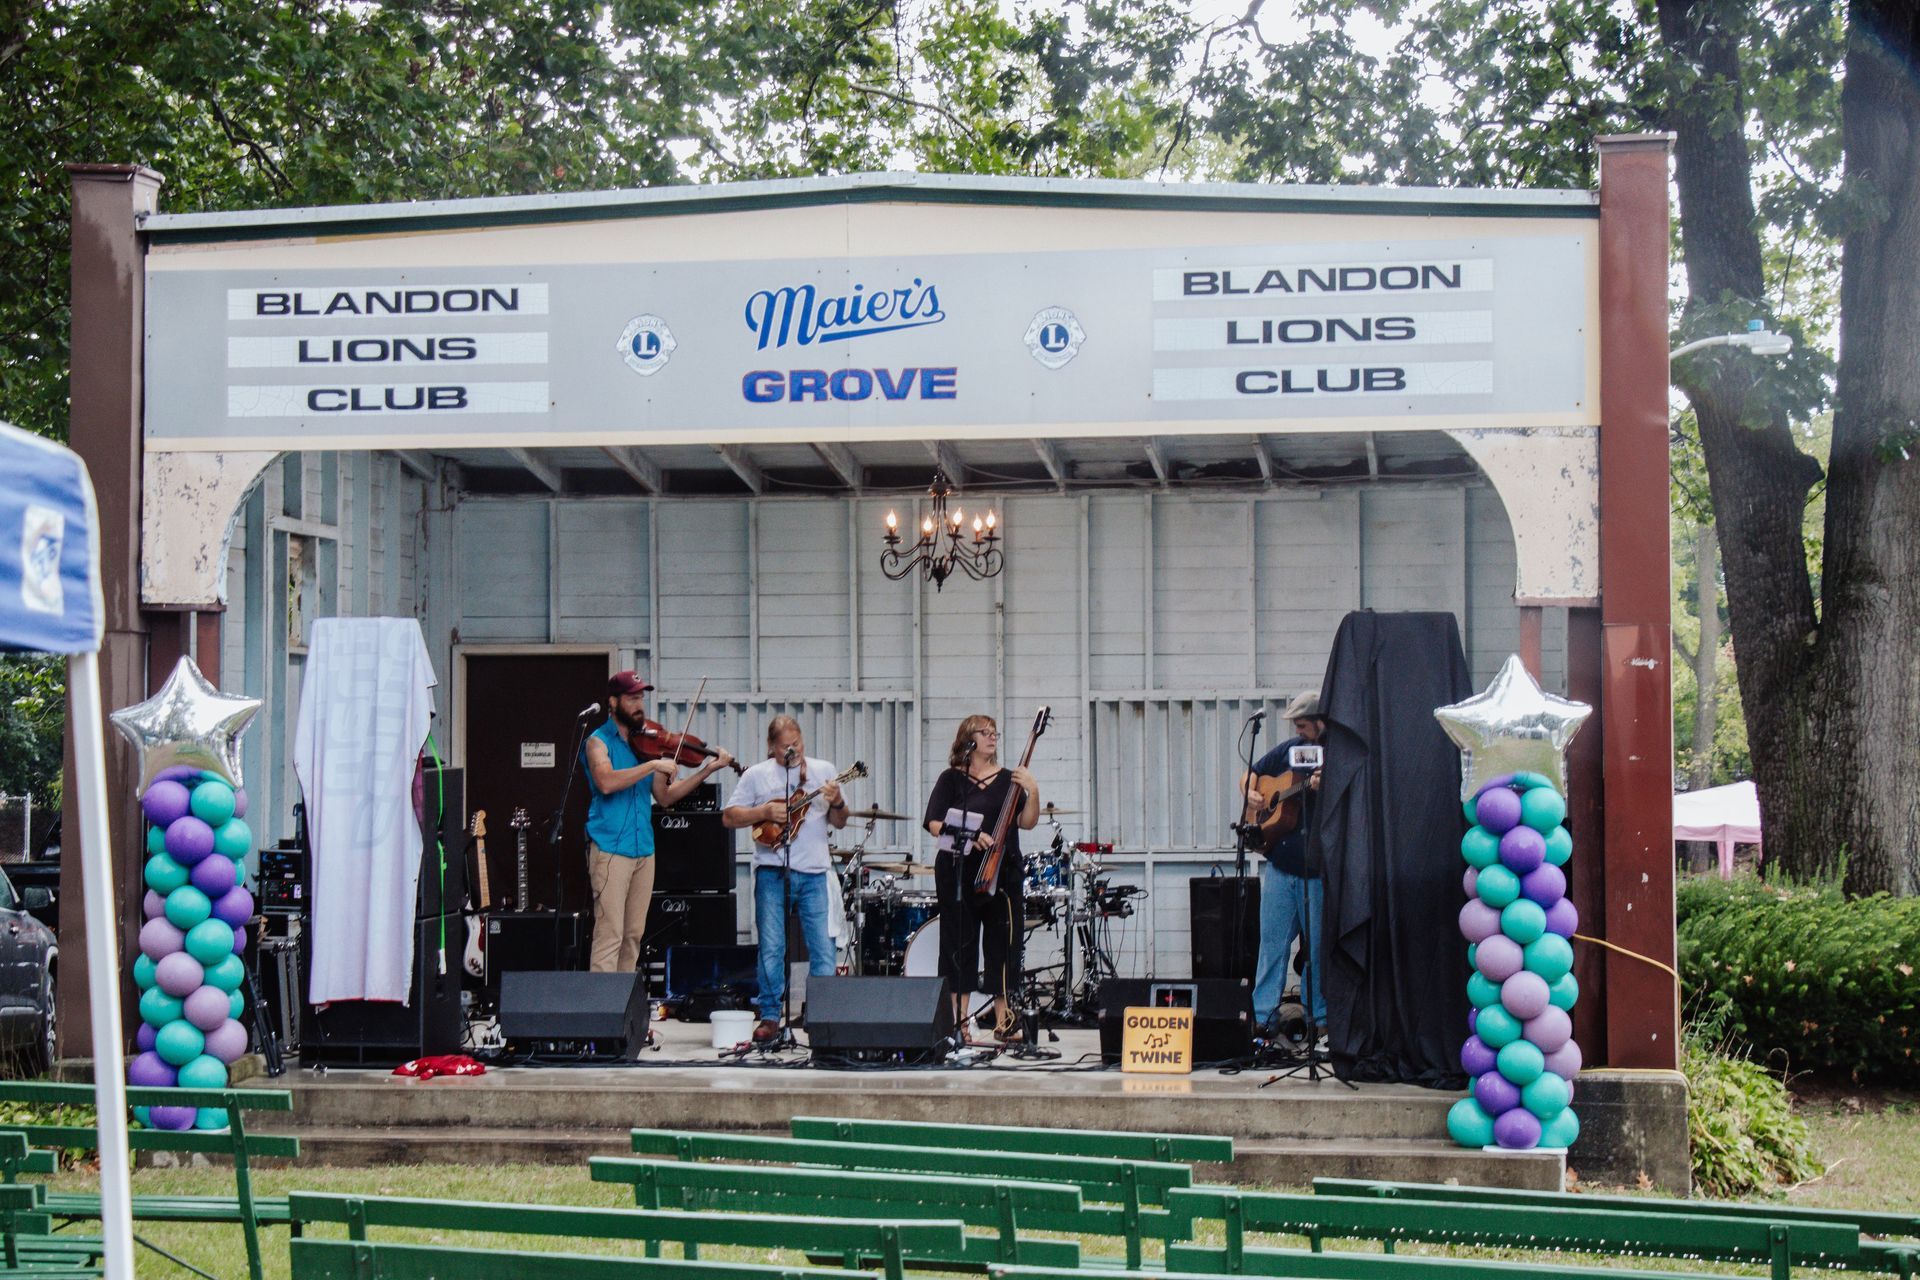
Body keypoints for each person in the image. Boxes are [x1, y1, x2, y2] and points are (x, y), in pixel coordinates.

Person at [582, 669, 734, 973]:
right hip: (610, 848)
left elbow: (664, 797)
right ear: (613, 702)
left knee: (633, 936)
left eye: (641, 698)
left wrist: (706, 771)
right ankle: (604, 1016)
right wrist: (653, 763)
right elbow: (607, 782)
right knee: (609, 935)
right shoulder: (598, 743)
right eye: (632, 698)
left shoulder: (644, 742)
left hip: (643, 849)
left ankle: (625, 1014)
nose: (639, 704)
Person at [722, 715, 849, 1044]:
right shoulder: (756, 776)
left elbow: (840, 821)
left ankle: (823, 1014)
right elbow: (730, 816)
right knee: (772, 946)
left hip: (815, 872)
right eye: (785, 746)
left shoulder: (823, 771)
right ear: (771, 747)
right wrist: (763, 812)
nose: (793, 750)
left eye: (798, 744)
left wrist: (837, 801)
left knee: (822, 946)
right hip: (771, 871)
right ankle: (769, 1016)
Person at [923, 715, 1040, 1039]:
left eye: (994, 732)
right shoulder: (951, 779)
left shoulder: (1009, 780)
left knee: (1003, 944)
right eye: (984, 733)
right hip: (958, 871)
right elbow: (933, 822)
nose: (992, 738)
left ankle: (1005, 1022)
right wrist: (970, 835)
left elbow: (1027, 822)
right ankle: (959, 1024)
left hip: (1003, 871)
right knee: (958, 944)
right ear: (968, 740)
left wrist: (1032, 789)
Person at [1241, 690, 1328, 1041]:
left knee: (1318, 949)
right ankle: (1262, 1019)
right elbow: (1252, 773)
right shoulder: (1291, 750)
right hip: (1280, 865)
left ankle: (1318, 1019)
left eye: (1303, 724)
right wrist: (1250, 791)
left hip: (1318, 870)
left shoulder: (1340, 752)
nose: (1298, 729)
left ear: (1322, 721)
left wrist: (1328, 785)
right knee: (1271, 945)